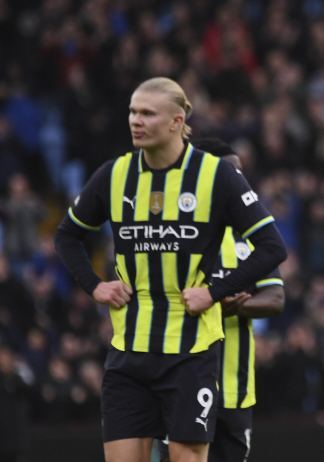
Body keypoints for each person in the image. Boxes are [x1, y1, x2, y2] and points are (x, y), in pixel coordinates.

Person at [54, 77, 287, 462]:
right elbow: (67, 235)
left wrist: (213, 293)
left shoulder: (216, 175)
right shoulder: (114, 174)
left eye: (147, 113)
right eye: (132, 111)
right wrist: (93, 285)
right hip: (128, 352)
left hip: (190, 354)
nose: (135, 121)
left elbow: (272, 246)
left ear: (178, 121)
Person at [158, 138, 285, 462]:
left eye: (241, 172)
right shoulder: (176, 231)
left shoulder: (251, 237)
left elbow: (275, 297)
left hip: (235, 392)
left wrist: (238, 304)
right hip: (182, 386)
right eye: (231, 171)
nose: (239, 179)